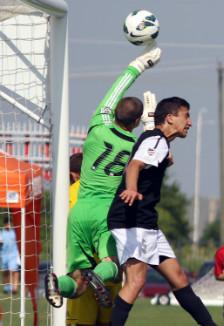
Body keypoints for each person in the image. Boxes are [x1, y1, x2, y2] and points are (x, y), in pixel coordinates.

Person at [45, 47, 161, 308]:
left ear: (116, 113)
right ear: (135, 122)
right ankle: (98, 277)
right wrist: (151, 124)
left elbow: (115, 90)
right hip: (105, 214)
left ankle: (54, 280)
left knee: (74, 285)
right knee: (113, 265)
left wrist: (138, 65)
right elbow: (151, 153)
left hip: (79, 211)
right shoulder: (135, 143)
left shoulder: (98, 126)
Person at [107, 97, 217, 326]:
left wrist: (163, 161)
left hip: (146, 221)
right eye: (186, 116)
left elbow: (145, 162)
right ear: (170, 118)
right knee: (136, 282)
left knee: (178, 278)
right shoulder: (156, 140)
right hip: (131, 220)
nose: (190, 122)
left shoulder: (159, 143)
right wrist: (131, 189)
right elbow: (135, 165)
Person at [67, 152, 121, 326]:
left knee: (82, 321)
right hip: (111, 262)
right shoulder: (111, 188)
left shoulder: (72, 192)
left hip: (84, 267)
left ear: (73, 174)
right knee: (107, 321)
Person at [0, 217, 20, 294]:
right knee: (5, 272)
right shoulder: (1, 233)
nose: (8, 225)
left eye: (9, 223)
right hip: (4, 255)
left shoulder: (14, 232)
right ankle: (6, 287)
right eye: (7, 223)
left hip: (13, 255)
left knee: (13, 271)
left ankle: (14, 288)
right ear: (4, 224)